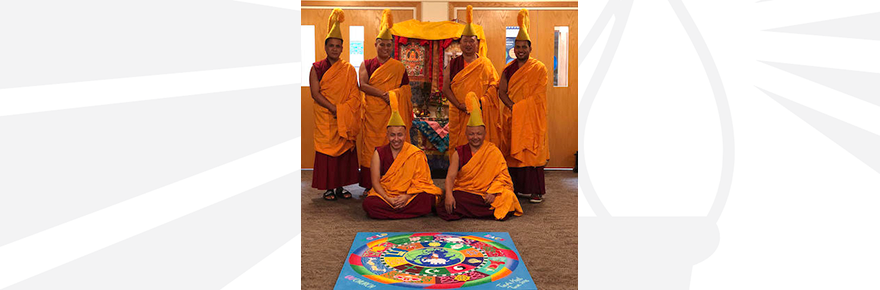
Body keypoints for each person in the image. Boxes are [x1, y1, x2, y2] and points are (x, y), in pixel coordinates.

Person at [438, 92, 523, 221]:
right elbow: (450, 177)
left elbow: (503, 176)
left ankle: (469, 210)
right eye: (472, 134)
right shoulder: (459, 152)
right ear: (466, 134)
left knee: (508, 196)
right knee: (454, 197)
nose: (475, 137)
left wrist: (493, 191)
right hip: (467, 192)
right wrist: (449, 195)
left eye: (479, 134)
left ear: (484, 134)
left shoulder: (493, 151)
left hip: (488, 192)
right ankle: (484, 211)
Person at [309, 8, 362, 201]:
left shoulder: (348, 69)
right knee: (327, 154)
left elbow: (355, 94)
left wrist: (344, 111)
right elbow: (315, 93)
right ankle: (329, 187)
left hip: (343, 116)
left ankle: (340, 186)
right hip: (326, 116)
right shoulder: (317, 68)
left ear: (342, 48)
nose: (334, 49)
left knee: (343, 151)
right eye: (331, 45)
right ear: (325, 47)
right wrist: (334, 109)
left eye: (337, 46)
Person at [358, 9, 413, 191]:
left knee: (392, 146)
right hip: (373, 114)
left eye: (389, 46)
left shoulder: (398, 67)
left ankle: (393, 181)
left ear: (393, 47)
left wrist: (394, 96)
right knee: (371, 147)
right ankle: (369, 185)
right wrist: (384, 95)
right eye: (382, 45)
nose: (385, 49)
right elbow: (362, 85)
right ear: (376, 44)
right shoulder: (366, 64)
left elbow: (406, 90)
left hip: (392, 114)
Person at [498, 9, 550, 203]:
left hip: (532, 118)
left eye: (524, 47)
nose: (520, 50)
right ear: (514, 48)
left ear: (530, 48)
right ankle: (517, 188)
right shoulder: (507, 69)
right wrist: (513, 107)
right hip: (512, 116)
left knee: (532, 152)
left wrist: (521, 109)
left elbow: (539, 95)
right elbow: (501, 92)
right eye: (517, 46)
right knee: (513, 151)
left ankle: (536, 191)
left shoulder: (539, 68)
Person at [362, 92, 441, 219]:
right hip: (386, 194)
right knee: (369, 204)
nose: (396, 139)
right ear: (387, 136)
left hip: (409, 195)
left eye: (400, 135)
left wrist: (407, 197)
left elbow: (422, 182)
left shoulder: (415, 153)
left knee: (428, 198)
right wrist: (388, 198)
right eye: (392, 135)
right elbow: (375, 182)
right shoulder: (379, 153)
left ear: (405, 135)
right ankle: (406, 212)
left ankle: (394, 212)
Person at [441, 5, 502, 156]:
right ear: (460, 43)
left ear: (477, 43)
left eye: (471, 41)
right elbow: (445, 88)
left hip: (481, 113)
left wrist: (480, 103)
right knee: (460, 147)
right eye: (465, 41)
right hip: (460, 113)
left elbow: (495, 86)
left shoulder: (485, 64)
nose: (468, 44)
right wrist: (459, 105)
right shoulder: (453, 64)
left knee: (482, 147)